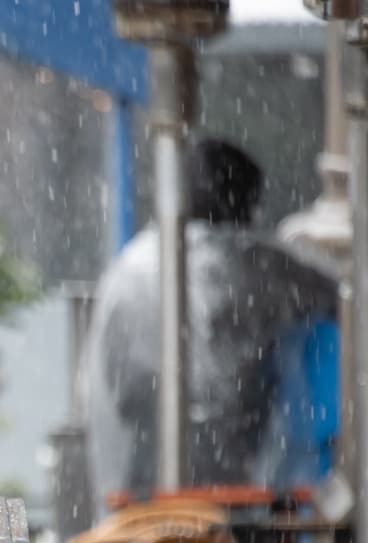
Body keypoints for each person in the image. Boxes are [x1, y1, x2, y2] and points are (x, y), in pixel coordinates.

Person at [82, 137, 339, 519]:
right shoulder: (245, 260)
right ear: (245, 204)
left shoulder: (127, 266)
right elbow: (340, 294)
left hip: (131, 494)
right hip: (225, 495)